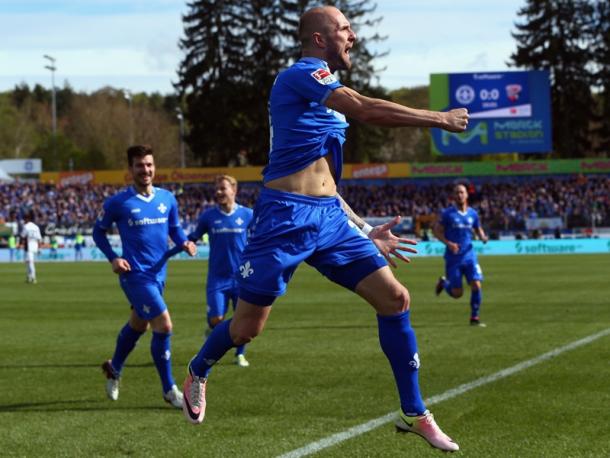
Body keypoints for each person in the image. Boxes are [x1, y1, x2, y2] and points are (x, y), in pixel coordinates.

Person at [182, 6, 468, 452]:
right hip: (283, 220)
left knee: (395, 298)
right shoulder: (298, 75)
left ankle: (414, 412)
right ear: (319, 39)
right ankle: (199, 368)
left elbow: (326, 181)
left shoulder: (329, 104)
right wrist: (439, 119)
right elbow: (364, 108)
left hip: (330, 219)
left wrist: (361, 227)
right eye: (345, 29)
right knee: (245, 330)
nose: (353, 37)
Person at [93, 144, 197, 408]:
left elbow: (175, 229)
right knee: (164, 325)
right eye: (140, 165)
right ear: (130, 170)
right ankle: (169, 389)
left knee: (139, 325)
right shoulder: (118, 202)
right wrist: (113, 258)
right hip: (135, 276)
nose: (146, 169)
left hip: (159, 273)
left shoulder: (167, 199)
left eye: (149, 164)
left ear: (154, 167)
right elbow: (98, 232)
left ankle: (113, 368)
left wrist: (185, 242)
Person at [187, 175, 254, 367]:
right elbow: (194, 236)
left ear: (234, 190)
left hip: (242, 277)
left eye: (222, 188)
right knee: (216, 319)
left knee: (244, 320)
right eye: (216, 189)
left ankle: (239, 354)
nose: (218, 192)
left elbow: (259, 237)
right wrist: (189, 244)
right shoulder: (208, 216)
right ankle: (214, 330)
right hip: (217, 278)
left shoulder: (248, 215)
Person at [433, 184, 488, 326]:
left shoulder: (473, 214)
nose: (459, 195)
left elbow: (477, 228)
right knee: (457, 294)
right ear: (454, 196)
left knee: (476, 284)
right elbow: (436, 231)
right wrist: (448, 243)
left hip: (469, 255)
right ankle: (444, 283)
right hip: (453, 258)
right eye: (457, 193)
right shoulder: (447, 214)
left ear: (467, 195)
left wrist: (482, 236)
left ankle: (474, 317)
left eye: (462, 192)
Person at [21, 212, 42, 283]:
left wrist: (21, 244)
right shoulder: (36, 227)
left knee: (30, 263)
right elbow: (39, 239)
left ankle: (33, 277)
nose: (24, 221)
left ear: (27, 219)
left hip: (28, 246)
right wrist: (39, 248)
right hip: (35, 246)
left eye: (24, 219)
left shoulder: (26, 226)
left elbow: (23, 236)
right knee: (29, 262)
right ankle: (29, 277)